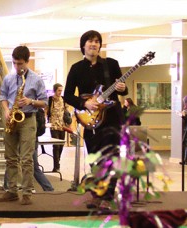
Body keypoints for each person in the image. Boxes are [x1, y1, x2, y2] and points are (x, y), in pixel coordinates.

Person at [63, 30, 128, 209]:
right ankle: (97, 194)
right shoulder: (76, 68)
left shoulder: (111, 64)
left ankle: (108, 197)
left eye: (97, 42)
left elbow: (123, 90)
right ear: (83, 45)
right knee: (94, 159)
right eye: (90, 41)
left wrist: (122, 88)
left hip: (112, 119)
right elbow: (68, 95)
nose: (94, 44)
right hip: (90, 121)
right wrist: (85, 104)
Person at [0, 46, 47, 205]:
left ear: (27, 61)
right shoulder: (8, 78)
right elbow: (3, 96)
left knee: (26, 159)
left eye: (20, 64)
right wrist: (5, 110)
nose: (17, 67)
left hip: (28, 119)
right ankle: (11, 191)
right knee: (10, 158)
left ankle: (26, 193)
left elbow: (44, 102)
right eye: (15, 63)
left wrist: (30, 101)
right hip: (12, 118)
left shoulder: (36, 79)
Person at [47, 83, 68, 172]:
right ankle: (56, 166)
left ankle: (57, 161)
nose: (60, 92)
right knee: (56, 146)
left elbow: (66, 111)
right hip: (54, 125)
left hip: (62, 125)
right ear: (55, 90)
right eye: (59, 90)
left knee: (61, 145)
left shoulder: (63, 99)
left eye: (61, 90)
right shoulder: (50, 99)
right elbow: (46, 110)